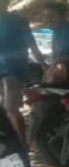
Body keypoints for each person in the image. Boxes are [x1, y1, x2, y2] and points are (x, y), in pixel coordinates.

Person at [0, 9, 45, 144]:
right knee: (5, 109)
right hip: (3, 69)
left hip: (13, 69)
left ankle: (21, 144)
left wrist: (43, 64)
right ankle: (9, 141)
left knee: (11, 109)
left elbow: (31, 43)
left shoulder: (17, 20)